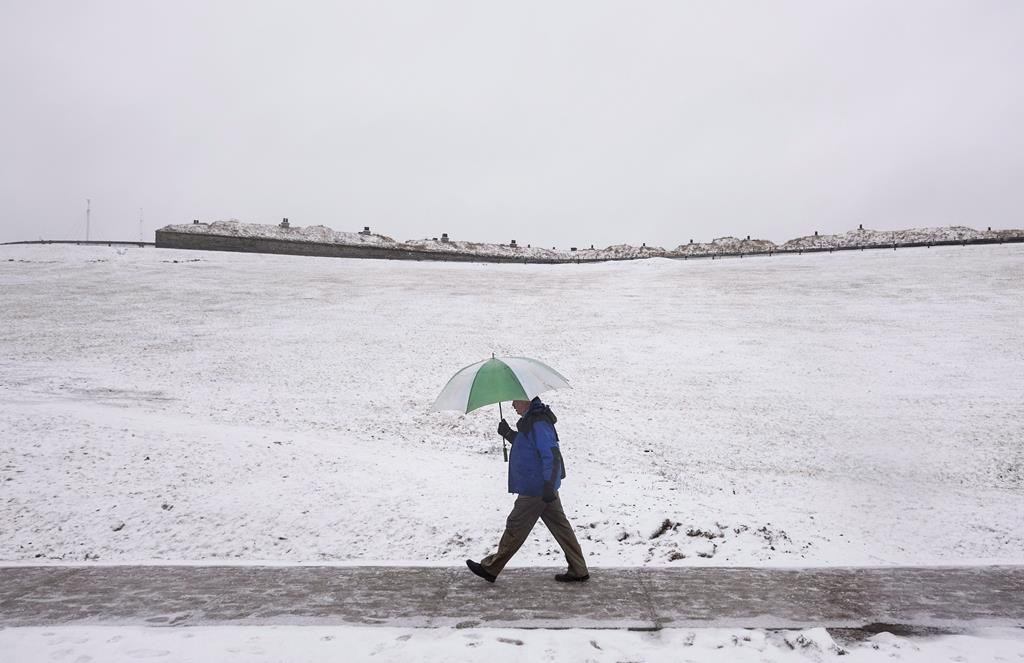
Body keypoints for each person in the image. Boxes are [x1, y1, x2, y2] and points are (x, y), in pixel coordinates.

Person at [466, 396, 590, 583]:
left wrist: (548, 484)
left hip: (536, 488)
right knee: (561, 528)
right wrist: (508, 433)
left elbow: (551, 454)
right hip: (542, 487)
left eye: (516, 401)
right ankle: (579, 568)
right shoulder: (532, 421)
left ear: (527, 400)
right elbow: (528, 446)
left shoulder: (538, 422)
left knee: (515, 525)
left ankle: (490, 568)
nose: (513, 405)